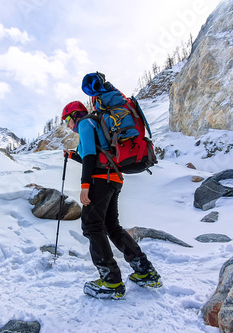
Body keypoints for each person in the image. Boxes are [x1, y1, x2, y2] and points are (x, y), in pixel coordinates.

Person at [61, 100, 162, 300]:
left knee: (91, 226)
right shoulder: (95, 124)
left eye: (67, 120)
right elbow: (98, 155)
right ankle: (144, 270)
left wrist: (85, 186)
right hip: (113, 179)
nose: (67, 125)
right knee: (111, 226)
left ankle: (111, 280)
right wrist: (73, 154)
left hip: (100, 181)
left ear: (74, 116)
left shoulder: (85, 124)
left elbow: (90, 155)